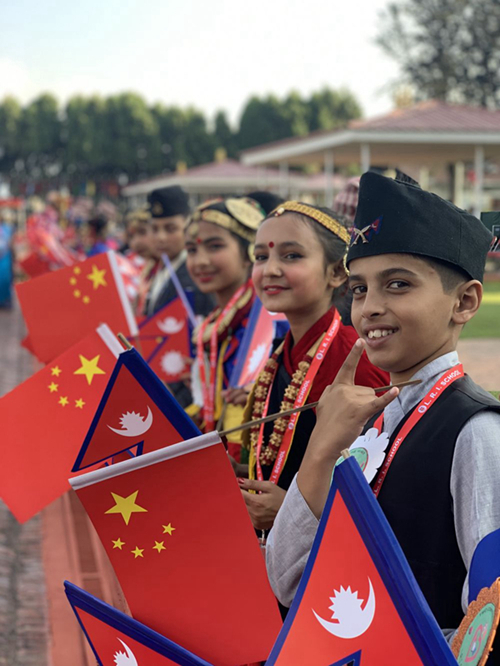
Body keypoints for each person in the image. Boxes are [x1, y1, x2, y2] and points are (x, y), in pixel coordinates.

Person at [265, 172, 500, 640]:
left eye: (397, 284)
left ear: (465, 301)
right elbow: (288, 579)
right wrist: (321, 449)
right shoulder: (372, 420)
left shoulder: (474, 431)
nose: (369, 307)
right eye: (359, 289)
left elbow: (488, 620)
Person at [237, 201, 389, 537]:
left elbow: (375, 482)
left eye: (291, 256)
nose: (270, 269)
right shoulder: (283, 353)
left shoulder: (356, 360)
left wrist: (291, 509)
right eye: (260, 257)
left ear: (336, 273)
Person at [185, 197, 264, 461]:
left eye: (215, 246)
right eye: (191, 250)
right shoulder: (215, 321)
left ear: (249, 252)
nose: (200, 261)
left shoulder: (267, 320)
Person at [144, 185, 213, 318]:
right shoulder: (159, 268)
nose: (161, 238)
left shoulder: (196, 274)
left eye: (170, 229)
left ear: (188, 227)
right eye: (154, 229)